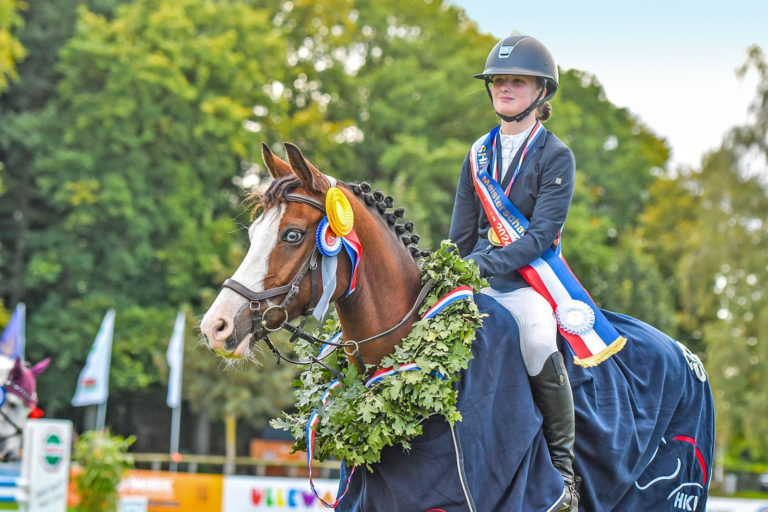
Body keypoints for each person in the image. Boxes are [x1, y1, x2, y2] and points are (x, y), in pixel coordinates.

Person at [449, 35, 579, 511]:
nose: (504, 88)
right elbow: (461, 233)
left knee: (539, 339)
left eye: (517, 82)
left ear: (541, 92)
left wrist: (483, 265)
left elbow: (540, 236)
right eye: (498, 81)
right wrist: (444, 274)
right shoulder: (477, 155)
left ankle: (564, 472)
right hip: (477, 280)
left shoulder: (554, 155)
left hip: (529, 282)